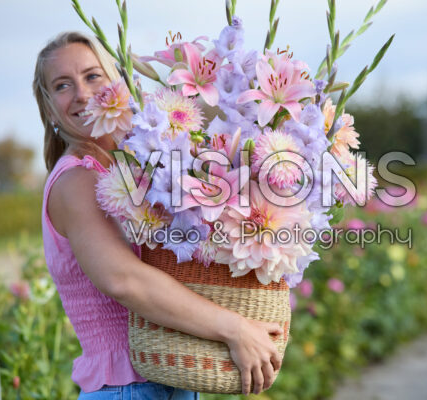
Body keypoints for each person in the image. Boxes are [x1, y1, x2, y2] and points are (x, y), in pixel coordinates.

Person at [33, 31, 283, 399]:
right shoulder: (77, 179)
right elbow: (123, 280)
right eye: (63, 85)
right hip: (126, 389)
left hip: (171, 379)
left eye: (92, 76)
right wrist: (235, 328)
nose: (83, 94)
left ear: (118, 81)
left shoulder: (132, 167)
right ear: (50, 106)